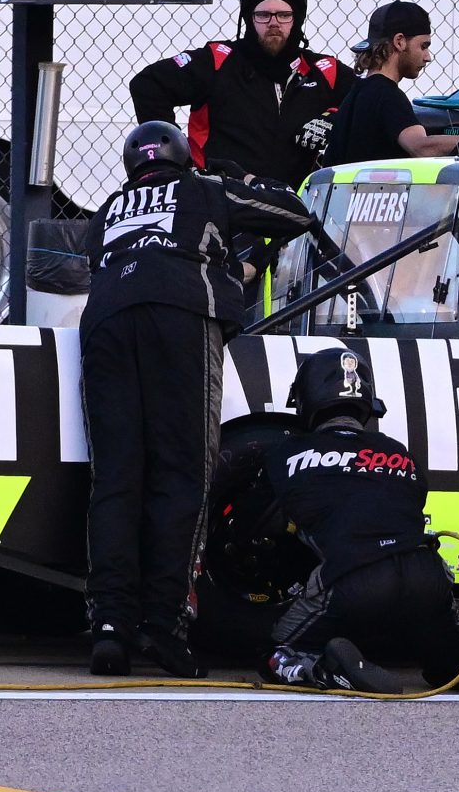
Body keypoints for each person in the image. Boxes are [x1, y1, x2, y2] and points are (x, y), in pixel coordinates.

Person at [218, 349, 459, 701]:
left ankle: (328, 670)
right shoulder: (399, 453)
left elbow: (252, 523)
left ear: (307, 401)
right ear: (365, 404)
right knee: (452, 660)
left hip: (354, 579)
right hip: (425, 575)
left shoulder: (287, 452)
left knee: (274, 652)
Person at [80, 120, 316, 678]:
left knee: (115, 478)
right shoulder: (205, 188)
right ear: (184, 158)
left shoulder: (108, 211)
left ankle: (109, 627)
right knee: (183, 474)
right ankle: (165, 626)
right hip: (181, 316)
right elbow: (295, 212)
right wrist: (242, 181)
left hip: (106, 324)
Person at [129, 0, 353, 189]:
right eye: (263, 15)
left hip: (297, 204)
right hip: (220, 198)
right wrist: (177, 160)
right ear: (248, 18)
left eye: (284, 15)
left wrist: (334, 118)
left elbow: (369, 101)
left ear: (297, 19)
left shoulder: (324, 70)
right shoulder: (218, 61)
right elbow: (147, 85)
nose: (274, 23)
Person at [322, 1, 458, 167]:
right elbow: (421, 147)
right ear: (399, 41)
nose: (428, 56)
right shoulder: (387, 95)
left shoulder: (355, 94)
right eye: (423, 46)